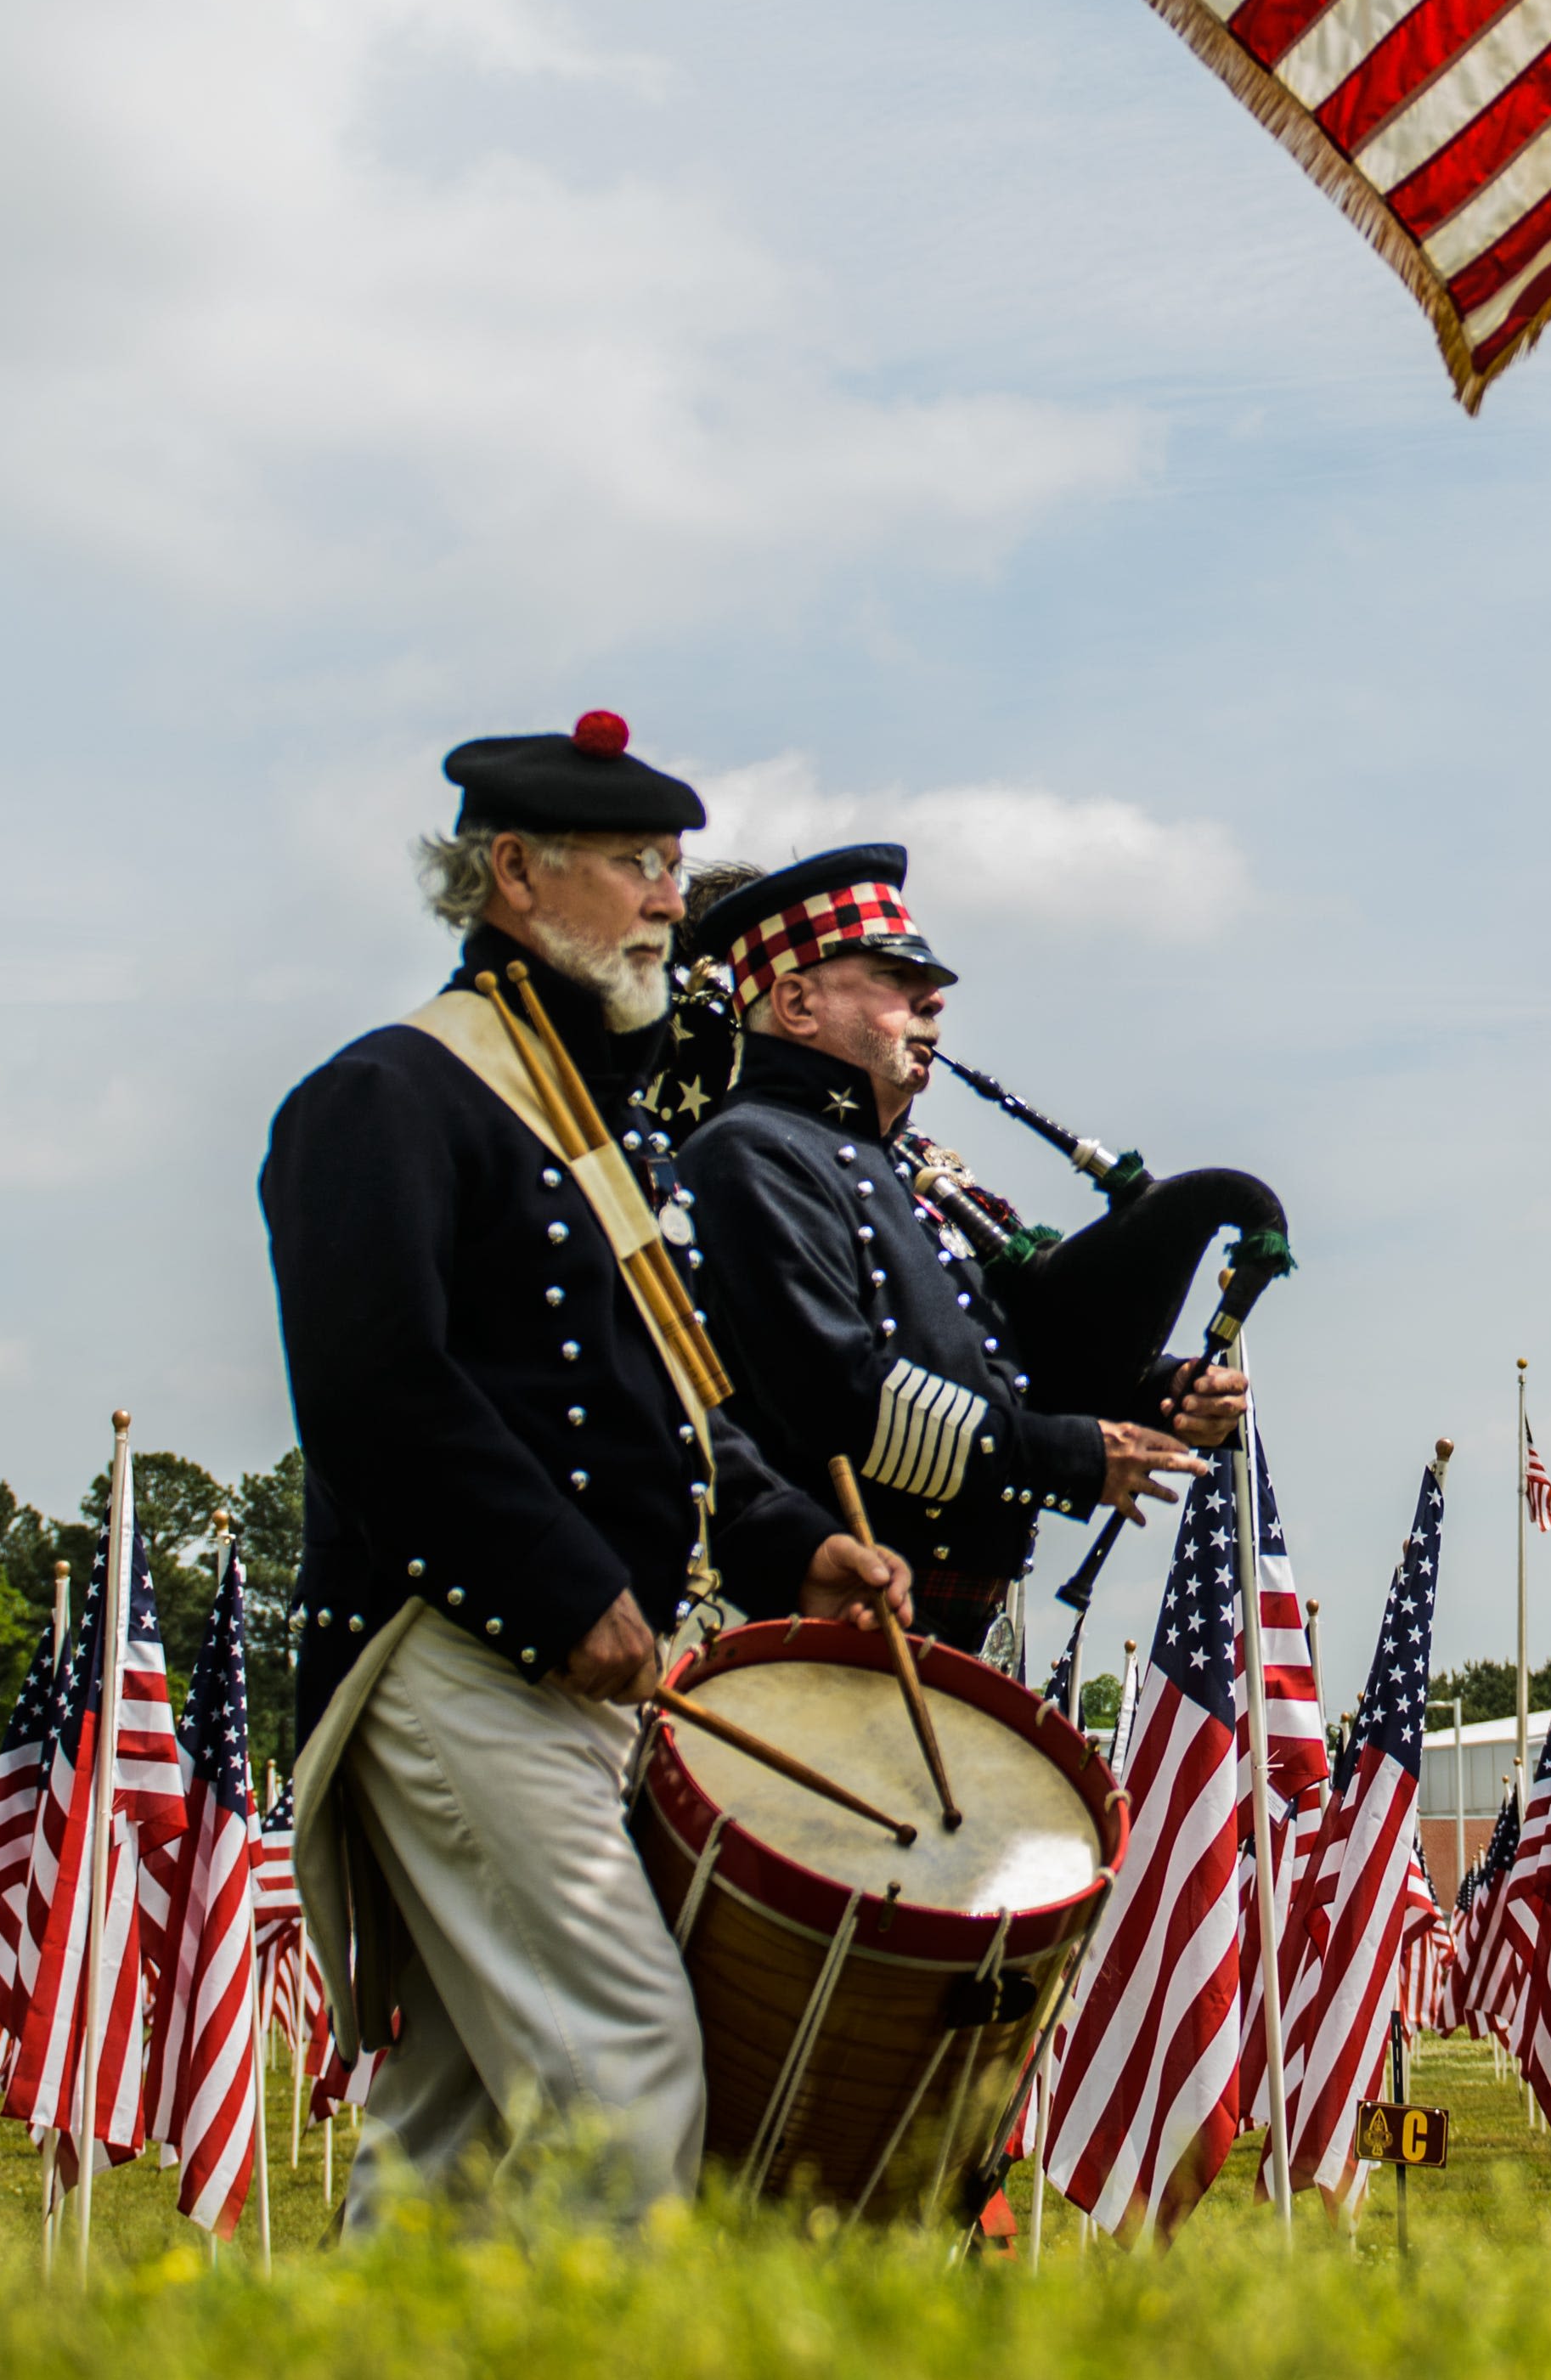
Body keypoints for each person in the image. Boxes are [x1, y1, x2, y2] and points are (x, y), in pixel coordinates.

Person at [258, 713, 901, 2229]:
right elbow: (373, 1392)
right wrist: (556, 1590)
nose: (672, 899)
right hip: (458, 1648)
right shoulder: (392, 1094)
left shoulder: (580, 1111)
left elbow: (658, 1401)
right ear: (514, 872)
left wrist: (791, 1540)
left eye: (671, 862)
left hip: (557, 1657)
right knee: (625, 2062)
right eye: (635, 864)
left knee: (464, 2125)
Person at [666, 843, 1250, 1656]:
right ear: (794, 1004)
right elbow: (837, 1397)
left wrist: (1158, 1395)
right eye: (892, 980)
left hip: (932, 1623)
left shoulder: (899, 1168)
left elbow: (1000, 1359)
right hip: (816, 1620)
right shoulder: (750, 1152)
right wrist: (1073, 1456)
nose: (933, 1000)